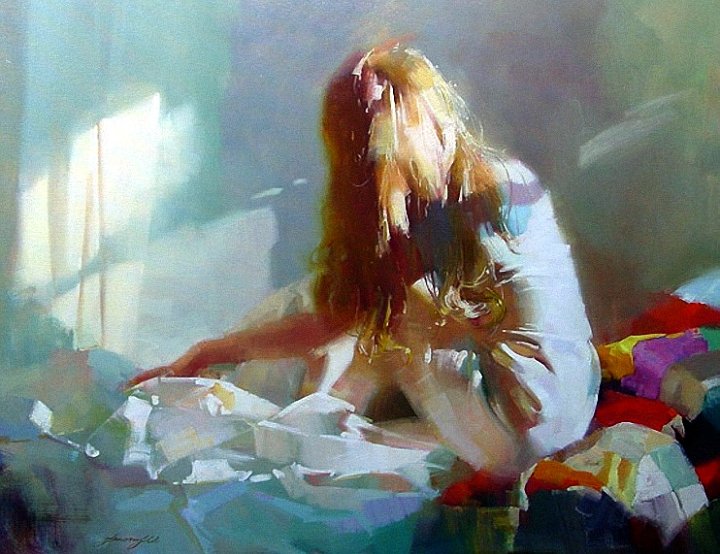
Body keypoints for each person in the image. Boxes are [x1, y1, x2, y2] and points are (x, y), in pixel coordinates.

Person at [128, 44, 600, 477]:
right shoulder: (443, 195)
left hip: (535, 411)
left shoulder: (494, 189)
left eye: (376, 135)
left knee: (384, 329)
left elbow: (368, 316)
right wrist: (210, 351)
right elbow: (339, 316)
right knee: (335, 322)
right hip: (533, 403)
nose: (368, 160)